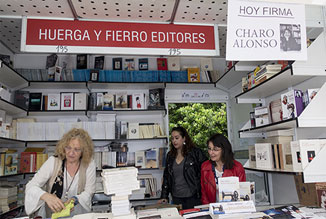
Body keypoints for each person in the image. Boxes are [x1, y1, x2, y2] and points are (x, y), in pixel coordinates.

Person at [25, 128, 96, 218]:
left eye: (77, 149)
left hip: (79, 214)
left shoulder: (89, 164)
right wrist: (46, 196)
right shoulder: (53, 162)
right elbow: (30, 186)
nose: (71, 153)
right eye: (68, 147)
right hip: (52, 214)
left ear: (83, 151)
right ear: (63, 147)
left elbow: (89, 191)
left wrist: (75, 199)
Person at [159, 126, 207, 209]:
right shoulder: (170, 156)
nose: (174, 141)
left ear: (184, 138)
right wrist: (164, 196)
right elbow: (166, 177)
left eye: (177, 138)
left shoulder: (195, 153)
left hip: (193, 197)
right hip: (176, 197)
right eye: (172, 138)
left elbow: (206, 172)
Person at [201, 133, 246, 204]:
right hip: (212, 210)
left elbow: (242, 192)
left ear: (224, 150)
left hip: (233, 209)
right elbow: (204, 195)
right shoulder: (205, 167)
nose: (211, 153)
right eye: (209, 149)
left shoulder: (237, 167)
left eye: (215, 149)